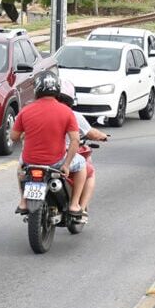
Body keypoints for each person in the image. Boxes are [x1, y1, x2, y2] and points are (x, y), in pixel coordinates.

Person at [10, 70, 86, 217]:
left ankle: (23, 202)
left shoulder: (26, 110)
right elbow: (75, 141)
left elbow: (13, 137)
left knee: (20, 168)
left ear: (37, 89)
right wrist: (66, 165)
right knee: (82, 164)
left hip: (29, 161)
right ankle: (75, 204)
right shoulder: (66, 111)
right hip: (56, 162)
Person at [56, 81, 109, 216]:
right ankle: (77, 206)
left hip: (37, 157)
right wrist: (103, 136)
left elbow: (18, 135)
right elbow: (86, 135)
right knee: (87, 170)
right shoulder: (72, 115)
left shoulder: (38, 112)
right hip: (61, 156)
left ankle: (24, 201)